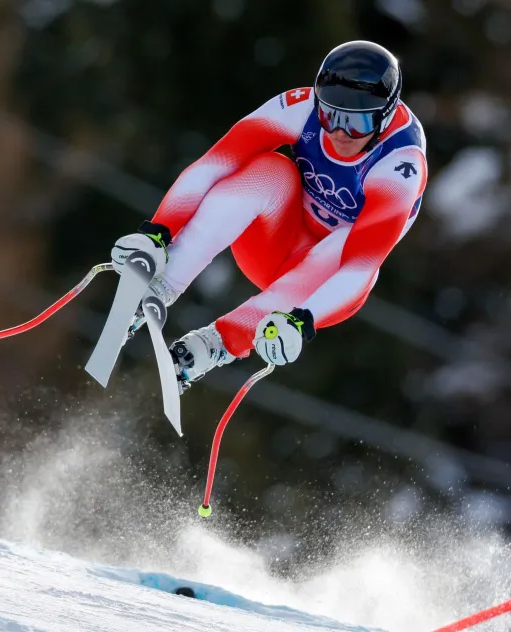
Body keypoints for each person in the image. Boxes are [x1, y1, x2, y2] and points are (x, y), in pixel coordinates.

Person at [111, 40, 428, 391]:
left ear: (384, 116)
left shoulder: (400, 164)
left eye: (356, 122)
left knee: (343, 244)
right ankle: (159, 287)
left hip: (322, 289)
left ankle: (215, 344)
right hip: (273, 245)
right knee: (270, 170)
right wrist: (157, 231)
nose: (339, 132)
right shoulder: (301, 107)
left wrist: (301, 321)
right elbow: (214, 164)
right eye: (330, 114)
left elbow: (360, 266)